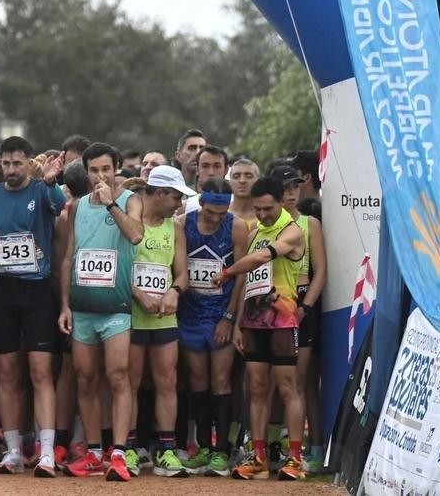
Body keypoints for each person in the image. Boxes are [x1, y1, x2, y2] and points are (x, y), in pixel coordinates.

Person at [57, 141, 144, 482]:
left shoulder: (130, 200)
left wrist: (111, 203)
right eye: (94, 170)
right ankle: (94, 453)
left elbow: (136, 235)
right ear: (87, 171)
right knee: (86, 378)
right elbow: (68, 257)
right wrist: (64, 304)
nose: (100, 175)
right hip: (83, 309)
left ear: (116, 168)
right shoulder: (77, 207)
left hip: (116, 308)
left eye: (106, 169)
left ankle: (119, 454)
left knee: (119, 376)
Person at [0, 135, 65, 476]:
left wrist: (49, 181)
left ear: (29, 162)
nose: (11, 169)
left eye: (17, 163)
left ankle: (47, 451)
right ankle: (14, 450)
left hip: (37, 291)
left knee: (40, 371)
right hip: (3, 288)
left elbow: (59, 205)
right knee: (6, 372)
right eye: (6, 163)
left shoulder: (42, 191)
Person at [223, 171, 308, 481]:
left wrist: (227, 271)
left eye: (267, 208)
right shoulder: (254, 229)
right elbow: (248, 280)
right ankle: (258, 457)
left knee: (288, 388)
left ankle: (296, 459)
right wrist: (238, 324)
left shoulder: (292, 231)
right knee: (256, 388)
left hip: (283, 319)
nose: (262, 214)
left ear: (281, 201)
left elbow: (259, 259)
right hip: (254, 321)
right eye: (257, 209)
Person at [127, 167, 192, 477]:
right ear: (159, 193)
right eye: (176, 197)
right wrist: (138, 294)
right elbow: (118, 266)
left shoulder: (175, 227)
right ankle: (128, 449)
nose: (179, 203)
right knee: (130, 382)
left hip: (164, 318)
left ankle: (166, 449)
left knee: (167, 380)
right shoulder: (130, 222)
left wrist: (174, 292)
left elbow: (182, 273)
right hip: (131, 315)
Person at [177, 175, 238, 477]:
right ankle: (202, 447)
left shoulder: (236, 225)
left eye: (221, 213)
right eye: (211, 212)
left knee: (221, 380)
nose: (216, 218)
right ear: (200, 202)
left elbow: (242, 275)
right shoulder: (182, 224)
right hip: (190, 314)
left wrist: (230, 316)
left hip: (220, 315)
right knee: (197, 380)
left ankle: (221, 452)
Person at [283, 169, 328, 469]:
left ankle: (311, 448)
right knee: (274, 382)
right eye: (285, 188)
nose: (291, 193)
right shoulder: (263, 224)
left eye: (296, 187)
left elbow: (320, 272)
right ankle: (276, 445)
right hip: (273, 304)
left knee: (303, 380)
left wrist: (305, 307)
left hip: (301, 303)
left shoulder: (310, 223)